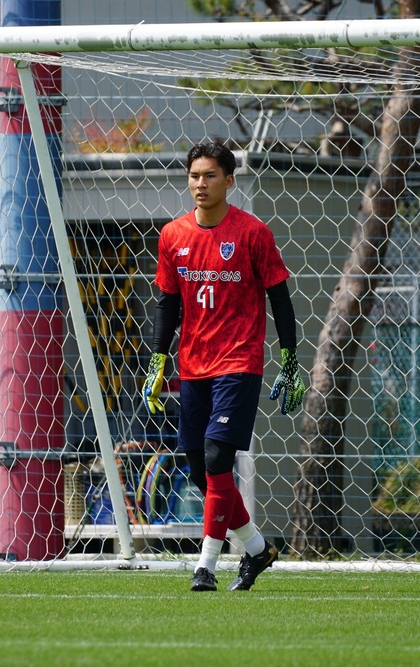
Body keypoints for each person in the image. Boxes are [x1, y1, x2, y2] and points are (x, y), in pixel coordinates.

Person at [142, 140, 306, 592]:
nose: (201, 183)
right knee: (200, 471)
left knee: (218, 459)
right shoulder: (172, 235)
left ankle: (206, 566)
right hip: (193, 366)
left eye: (210, 175)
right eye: (194, 175)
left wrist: (290, 360)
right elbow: (167, 304)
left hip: (239, 362)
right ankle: (257, 549)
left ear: (229, 181)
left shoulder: (252, 233)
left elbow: (280, 299)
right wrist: (158, 361)